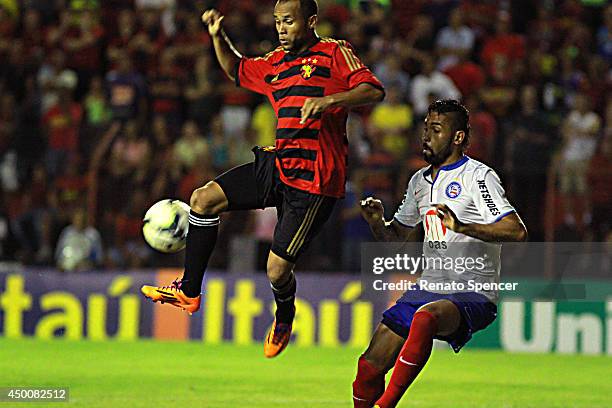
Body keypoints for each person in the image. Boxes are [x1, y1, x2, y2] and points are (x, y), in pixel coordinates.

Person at [141, 0, 384, 358]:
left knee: (276, 270)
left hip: (315, 182)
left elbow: (374, 90)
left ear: (311, 21)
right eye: (277, 22)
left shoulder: (335, 52)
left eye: (288, 21)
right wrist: (218, 36)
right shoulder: (275, 62)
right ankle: (189, 292)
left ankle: (284, 316)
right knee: (202, 199)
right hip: (280, 164)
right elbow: (236, 69)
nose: (281, 28)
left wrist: (331, 100)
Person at [352, 100, 527, 407]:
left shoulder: (478, 177)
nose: (426, 137)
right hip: (429, 286)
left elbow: (516, 231)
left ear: (458, 137)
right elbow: (394, 241)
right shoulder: (419, 181)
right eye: (425, 129)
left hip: (473, 293)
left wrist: (463, 226)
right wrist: (379, 223)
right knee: (368, 366)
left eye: (436, 130)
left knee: (425, 317)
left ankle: (385, 405)